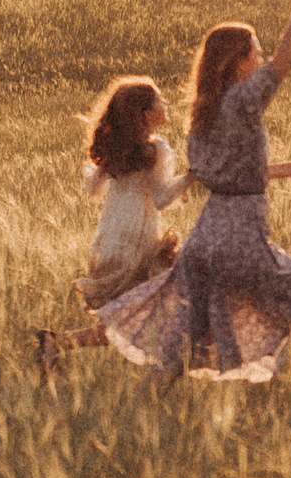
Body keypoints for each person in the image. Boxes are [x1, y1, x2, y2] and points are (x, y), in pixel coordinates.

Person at [98, 0, 291, 387]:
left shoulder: (200, 114)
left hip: (203, 241)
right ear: (238, 62)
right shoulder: (243, 101)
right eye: (256, 52)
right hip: (243, 238)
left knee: (176, 348)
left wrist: (288, 170)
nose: (261, 58)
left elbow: (227, 176)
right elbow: (290, 56)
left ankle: (135, 418)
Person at [34, 77, 189, 377]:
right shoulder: (157, 150)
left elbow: (92, 187)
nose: (166, 105)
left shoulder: (119, 149)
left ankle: (58, 343)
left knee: (128, 317)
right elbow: (161, 199)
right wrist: (192, 177)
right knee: (139, 315)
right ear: (146, 114)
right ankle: (165, 368)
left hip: (111, 237)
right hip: (139, 241)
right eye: (160, 101)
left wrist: (108, 161)